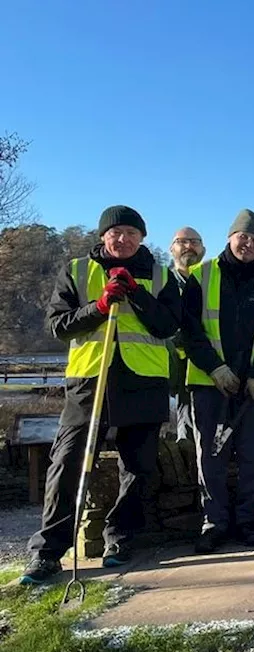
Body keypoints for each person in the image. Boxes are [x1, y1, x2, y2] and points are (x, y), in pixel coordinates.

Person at [20, 206, 182, 584]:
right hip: (91, 379)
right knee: (68, 460)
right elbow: (59, 326)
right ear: (103, 237)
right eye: (115, 233)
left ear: (141, 237)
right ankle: (47, 551)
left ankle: (121, 538)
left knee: (139, 467)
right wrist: (101, 305)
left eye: (130, 232)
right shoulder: (77, 271)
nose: (122, 239)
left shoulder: (159, 276)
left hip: (143, 379)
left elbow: (168, 325)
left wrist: (137, 294)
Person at [183, 209, 254, 553]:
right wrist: (214, 367)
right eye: (244, 237)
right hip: (210, 383)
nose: (249, 244)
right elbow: (190, 330)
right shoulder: (201, 276)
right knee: (210, 458)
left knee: (252, 456)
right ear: (230, 236)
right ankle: (213, 522)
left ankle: (248, 521)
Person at [168, 227, 206, 444]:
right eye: (182, 241)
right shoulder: (163, 281)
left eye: (194, 241)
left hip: (212, 364)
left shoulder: (214, 281)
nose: (189, 246)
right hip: (177, 367)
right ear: (172, 248)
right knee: (187, 424)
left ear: (203, 249)